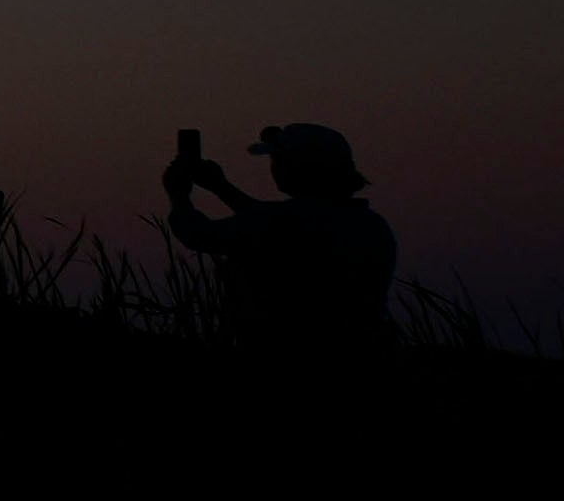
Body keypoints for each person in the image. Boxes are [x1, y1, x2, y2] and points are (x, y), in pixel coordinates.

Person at [164, 123, 396, 353]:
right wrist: (220, 186)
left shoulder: (280, 221)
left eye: (278, 160)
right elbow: (268, 220)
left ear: (298, 168)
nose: (274, 168)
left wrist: (178, 195)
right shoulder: (372, 225)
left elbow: (198, 234)